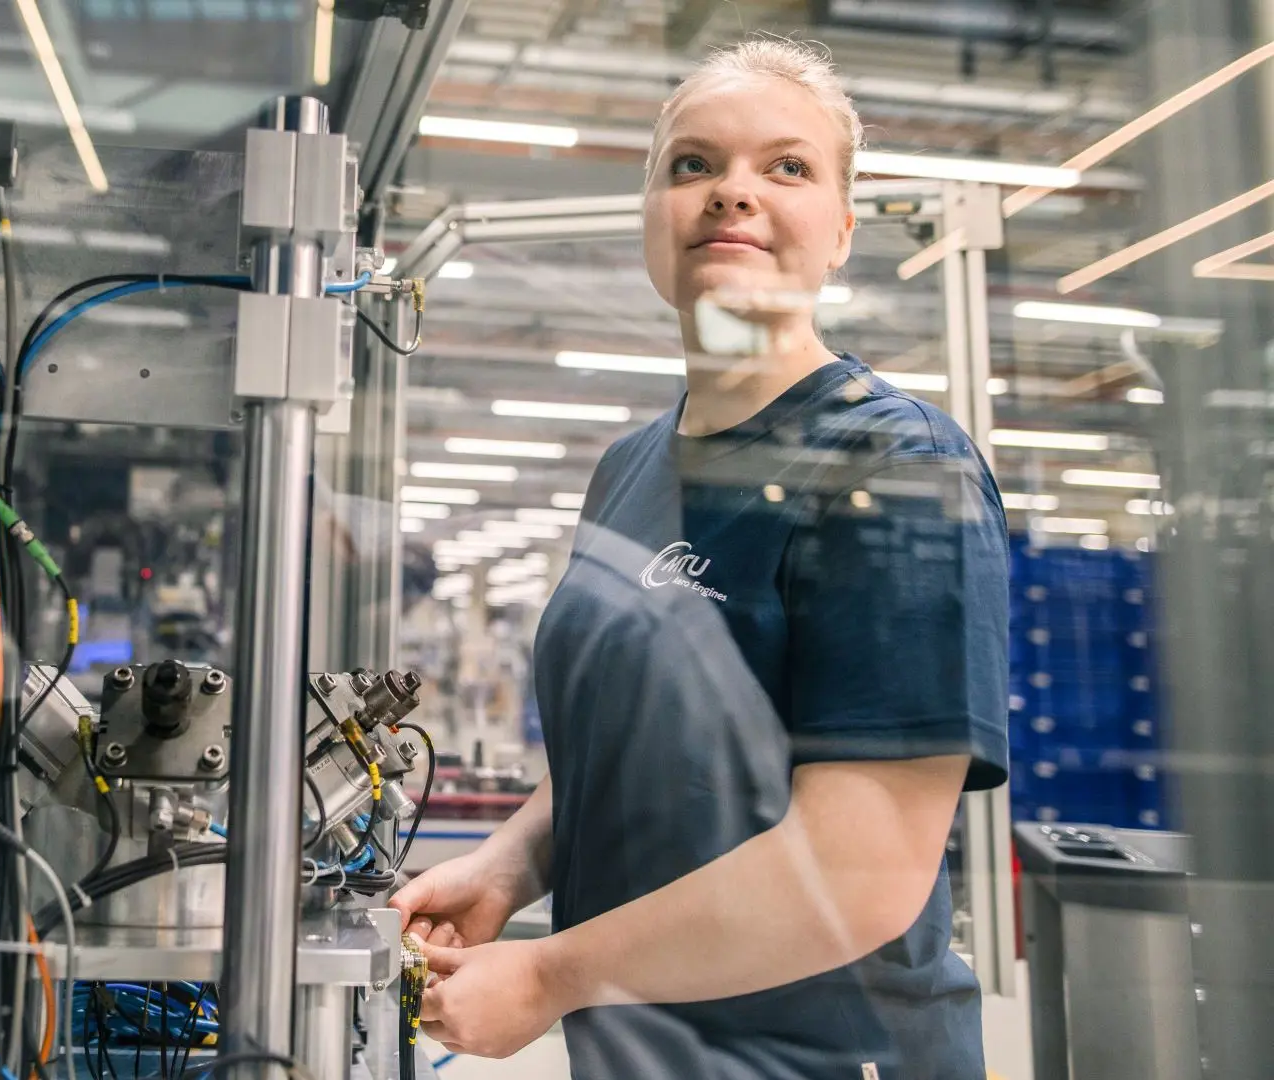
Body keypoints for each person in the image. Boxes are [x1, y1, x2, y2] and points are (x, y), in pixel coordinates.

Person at [390, 38, 1010, 1080]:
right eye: (693, 165)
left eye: (788, 168)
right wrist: (512, 862)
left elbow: (861, 873)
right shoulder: (633, 465)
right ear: (652, 216)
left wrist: (551, 977)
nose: (733, 194)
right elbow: (647, 745)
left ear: (844, 229)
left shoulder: (897, 464)